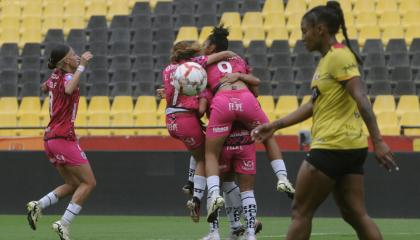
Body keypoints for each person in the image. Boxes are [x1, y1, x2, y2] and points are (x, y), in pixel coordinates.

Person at [251, 2, 398, 240]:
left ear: (320, 29)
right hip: (351, 147)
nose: (302, 37)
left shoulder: (339, 56)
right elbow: (313, 104)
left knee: (301, 211)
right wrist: (275, 125)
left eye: (305, 30)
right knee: (354, 213)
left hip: (331, 146)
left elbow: (362, 98)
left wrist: (379, 141)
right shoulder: (328, 60)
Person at [202, 26, 294, 223]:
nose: (202, 48)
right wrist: (240, 76)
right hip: (246, 99)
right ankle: (282, 177)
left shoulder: (202, 64)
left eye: (204, 45)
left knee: (211, 154)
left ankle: (214, 194)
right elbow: (256, 90)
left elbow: (201, 97)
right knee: (268, 135)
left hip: (223, 101)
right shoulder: (238, 60)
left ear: (211, 48)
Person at [162, 41, 238, 222]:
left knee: (199, 150)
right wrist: (233, 55)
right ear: (191, 54)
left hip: (170, 120)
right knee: (206, 156)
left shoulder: (168, 69)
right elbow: (221, 55)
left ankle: (190, 183)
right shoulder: (194, 65)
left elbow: (171, 91)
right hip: (185, 119)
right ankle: (196, 199)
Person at [26, 44, 94, 240]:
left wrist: (51, 86)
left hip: (50, 138)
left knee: (72, 183)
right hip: (63, 137)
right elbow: (68, 88)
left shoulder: (55, 75)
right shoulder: (66, 77)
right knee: (89, 183)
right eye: (73, 55)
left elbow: (45, 86)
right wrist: (82, 66)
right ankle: (63, 223)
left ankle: (38, 205)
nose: (77, 56)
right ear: (66, 61)